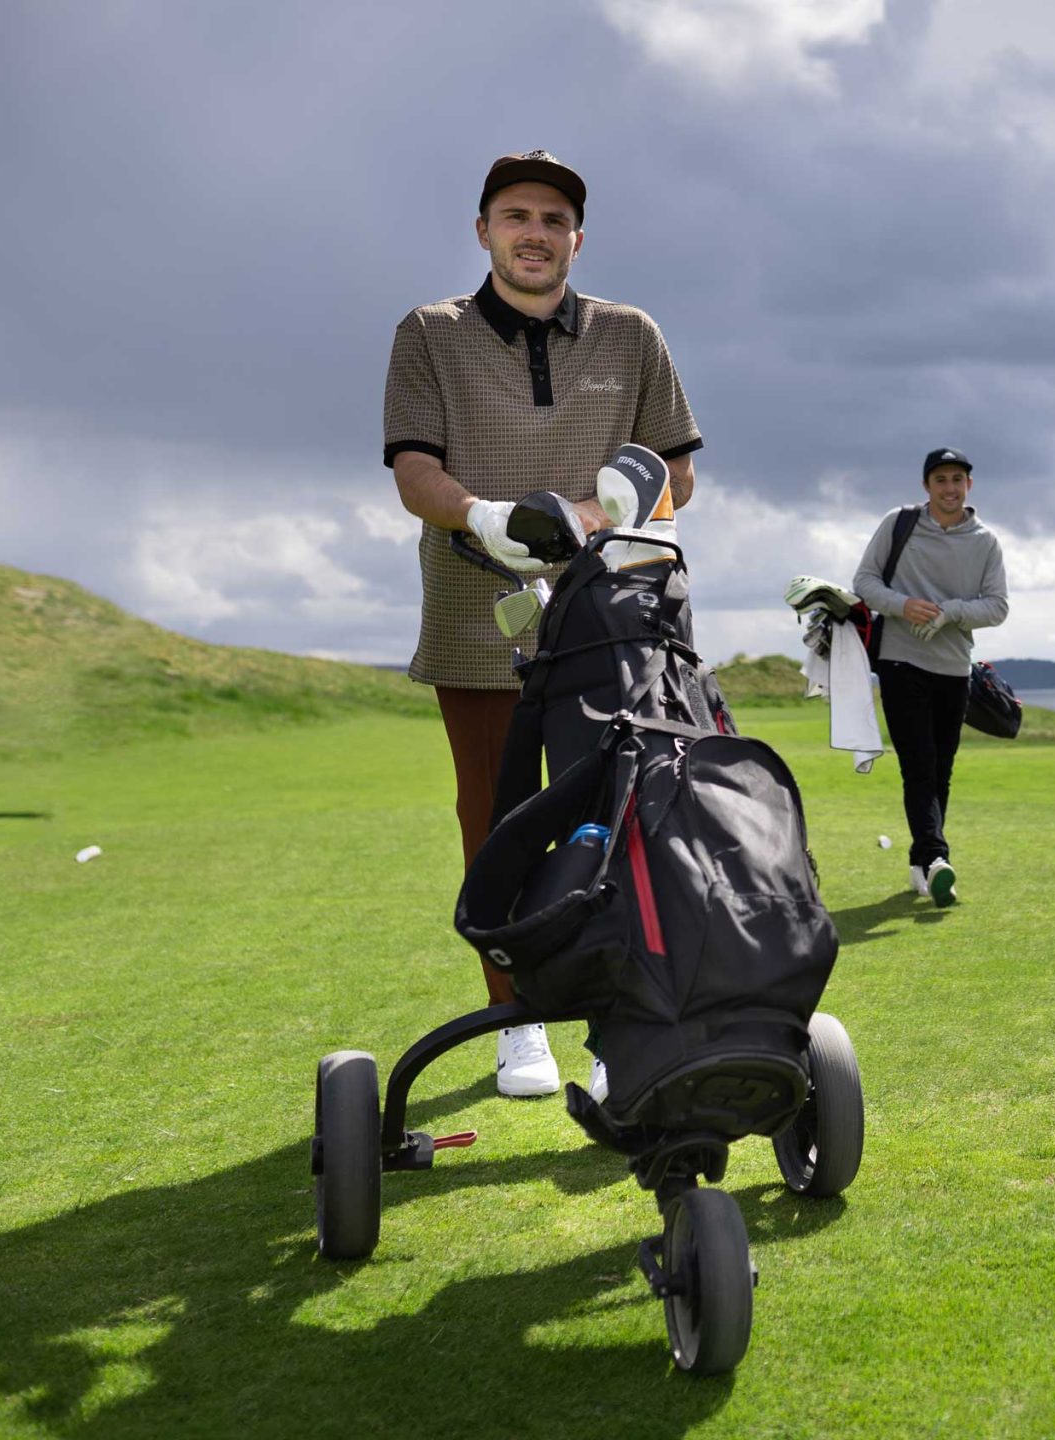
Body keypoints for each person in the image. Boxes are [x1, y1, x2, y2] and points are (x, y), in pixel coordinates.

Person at [382, 151, 703, 1098]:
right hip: (475, 619)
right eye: (515, 214)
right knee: (494, 823)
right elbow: (412, 469)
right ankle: (521, 1022)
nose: (535, 232)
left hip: (610, 618)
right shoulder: (429, 333)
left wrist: (601, 513)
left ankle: (610, 1027)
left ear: (577, 237)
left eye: (554, 218)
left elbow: (675, 472)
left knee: (614, 818)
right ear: (483, 229)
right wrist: (484, 516)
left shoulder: (630, 335)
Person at [852, 448, 1009, 906]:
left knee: (940, 771)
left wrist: (950, 613)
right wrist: (903, 605)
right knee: (918, 766)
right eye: (940, 479)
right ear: (926, 486)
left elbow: (997, 606)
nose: (950, 488)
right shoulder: (899, 524)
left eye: (958, 479)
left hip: (954, 667)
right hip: (900, 662)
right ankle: (939, 858)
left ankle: (921, 863)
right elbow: (864, 581)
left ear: (969, 486)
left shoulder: (985, 541)